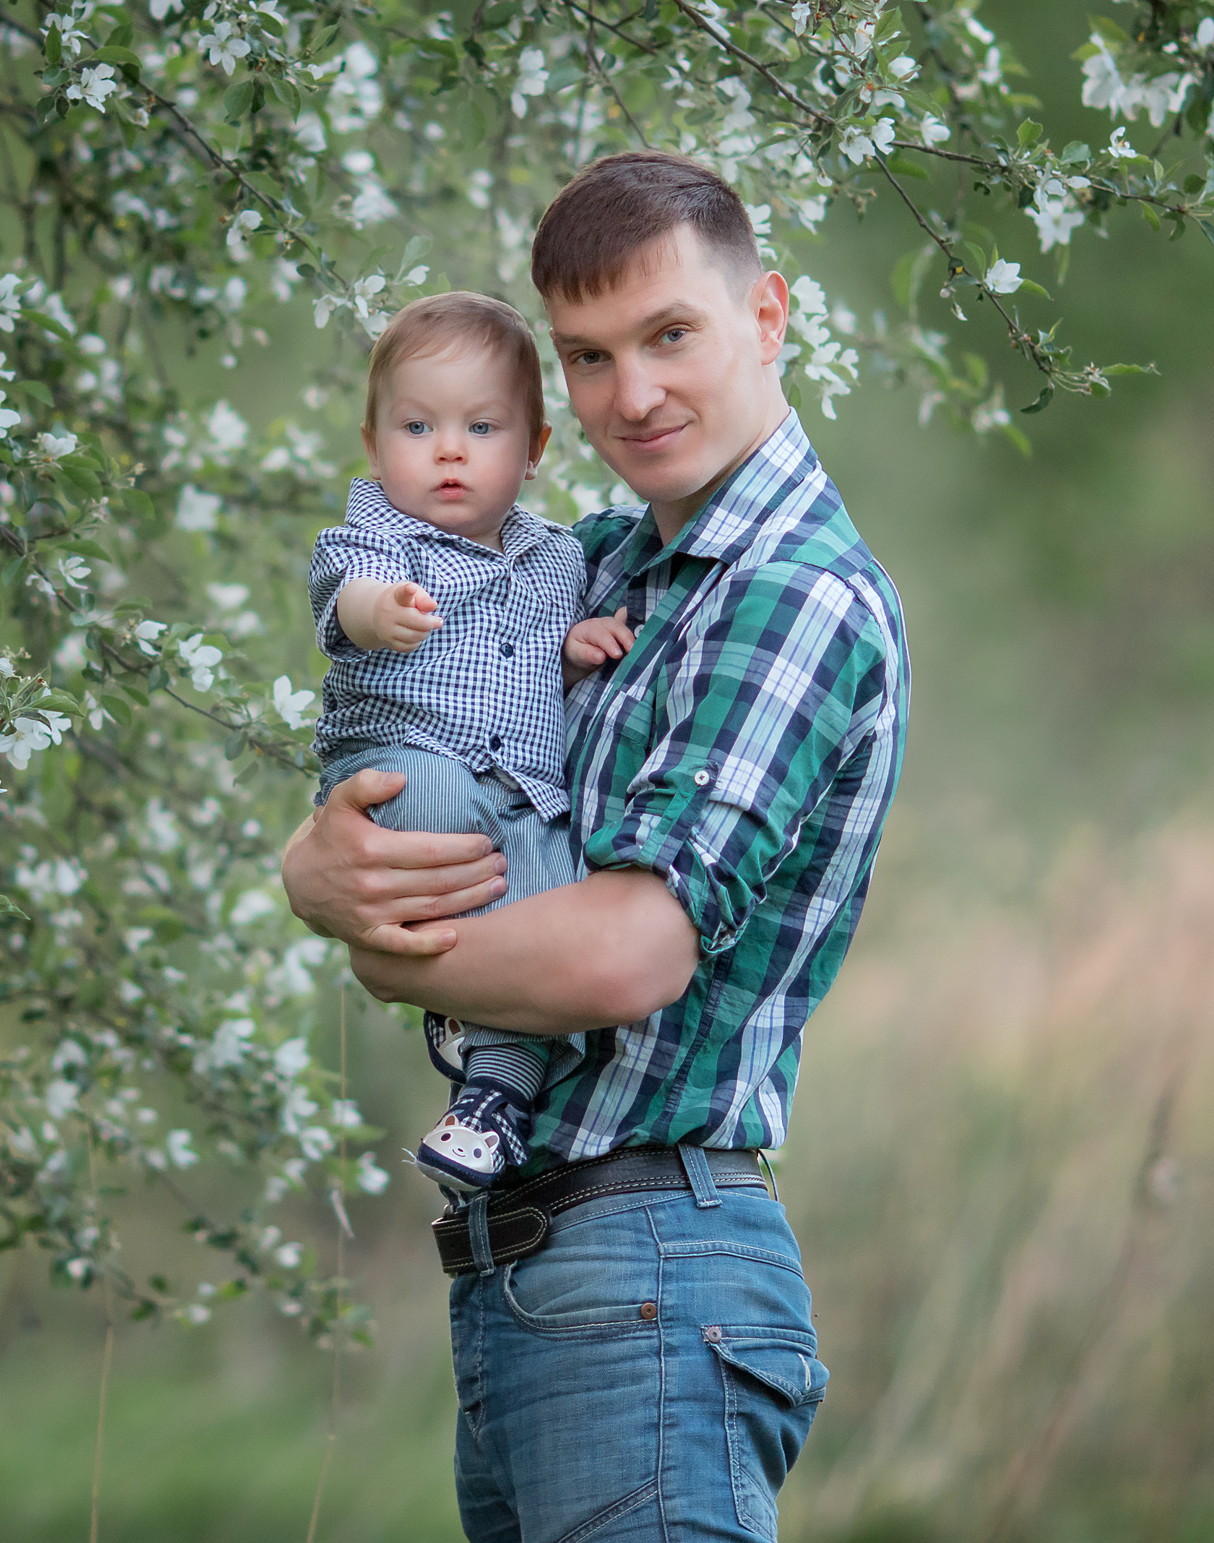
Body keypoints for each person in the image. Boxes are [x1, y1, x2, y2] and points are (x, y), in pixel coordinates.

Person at [280, 152, 909, 1543]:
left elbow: (626, 952)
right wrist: (309, 868)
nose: (633, 394)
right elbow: (420, 714)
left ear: (768, 315)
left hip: (654, 1267)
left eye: (669, 335)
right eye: (588, 355)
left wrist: (389, 951)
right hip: (536, 1274)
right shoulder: (606, 565)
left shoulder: (792, 595)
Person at [304, 290, 636, 1190]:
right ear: (375, 445)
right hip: (407, 758)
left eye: (482, 428)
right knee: (441, 828)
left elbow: (527, 661)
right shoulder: (384, 529)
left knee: (549, 895)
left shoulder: (560, 556)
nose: (448, 450)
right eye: (417, 426)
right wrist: (381, 610)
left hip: (523, 784)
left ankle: (491, 1095)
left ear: (532, 452)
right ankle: (470, 1041)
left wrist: (568, 654)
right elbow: (344, 593)